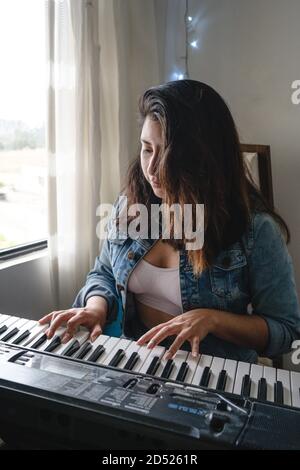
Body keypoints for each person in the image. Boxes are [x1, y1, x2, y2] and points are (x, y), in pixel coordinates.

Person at [39, 79, 300, 363]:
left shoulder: (256, 230)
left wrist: (212, 319)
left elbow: (287, 330)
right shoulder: (130, 205)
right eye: (147, 149)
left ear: (203, 157)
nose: (151, 169)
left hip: (214, 375)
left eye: (166, 154)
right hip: (135, 362)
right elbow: (104, 274)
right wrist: (95, 308)